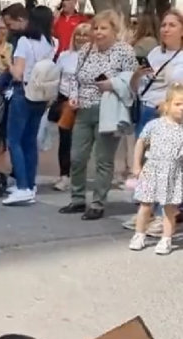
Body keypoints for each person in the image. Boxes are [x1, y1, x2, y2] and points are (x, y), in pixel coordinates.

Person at [60, 9, 136, 221]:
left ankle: (98, 203)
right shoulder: (86, 50)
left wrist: (112, 84)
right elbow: (75, 78)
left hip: (109, 109)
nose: (98, 32)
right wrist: (73, 97)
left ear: (114, 30)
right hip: (83, 109)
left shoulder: (124, 51)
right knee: (77, 156)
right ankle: (77, 198)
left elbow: (133, 82)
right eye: (96, 28)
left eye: (104, 28)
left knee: (103, 159)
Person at [3, 5, 56, 207]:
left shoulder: (24, 42)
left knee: (14, 140)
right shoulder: (50, 43)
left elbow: (18, 73)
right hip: (41, 96)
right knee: (29, 141)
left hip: (22, 93)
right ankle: (30, 183)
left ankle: (22, 187)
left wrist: (7, 62)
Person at [129, 84, 183, 255]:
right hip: (151, 169)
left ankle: (166, 238)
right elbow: (141, 142)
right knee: (145, 205)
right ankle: (139, 234)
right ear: (167, 105)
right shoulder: (154, 125)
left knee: (169, 208)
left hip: (174, 172)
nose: (181, 108)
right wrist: (137, 165)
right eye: (178, 104)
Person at [52, 22, 90, 192]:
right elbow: (56, 78)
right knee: (65, 139)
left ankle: (78, 176)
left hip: (86, 101)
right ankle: (64, 176)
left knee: (82, 142)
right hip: (65, 100)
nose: (81, 38)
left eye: (85, 34)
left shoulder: (95, 57)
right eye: (79, 34)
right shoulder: (64, 56)